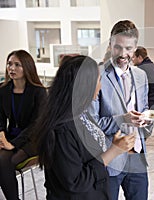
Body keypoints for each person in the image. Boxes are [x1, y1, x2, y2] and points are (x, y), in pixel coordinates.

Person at [35, 55, 136, 199]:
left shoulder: (81, 114)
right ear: (85, 85)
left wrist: (114, 146)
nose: (101, 87)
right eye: (99, 80)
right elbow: (75, 182)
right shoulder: (63, 129)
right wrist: (113, 151)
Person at [90, 20, 153, 200]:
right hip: (110, 159)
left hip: (137, 157)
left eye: (128, 48)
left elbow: (145, 109)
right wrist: (122, 119)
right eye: (118, 47)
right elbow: (92, 124)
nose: (123, 54)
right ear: (110, 44)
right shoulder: (98, 75)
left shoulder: (141, 76)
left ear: (135, 49)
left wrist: (146, 119)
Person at [0, 49, 47, 200]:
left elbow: (37, 124)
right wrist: (1, 135)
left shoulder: (38, 91)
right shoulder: (3, 90)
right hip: (9, 136)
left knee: (4, 161)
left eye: (17, 65)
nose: (11, 68)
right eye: (9, 64)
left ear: (27, 67)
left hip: (32, 139)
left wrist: (12, 144)